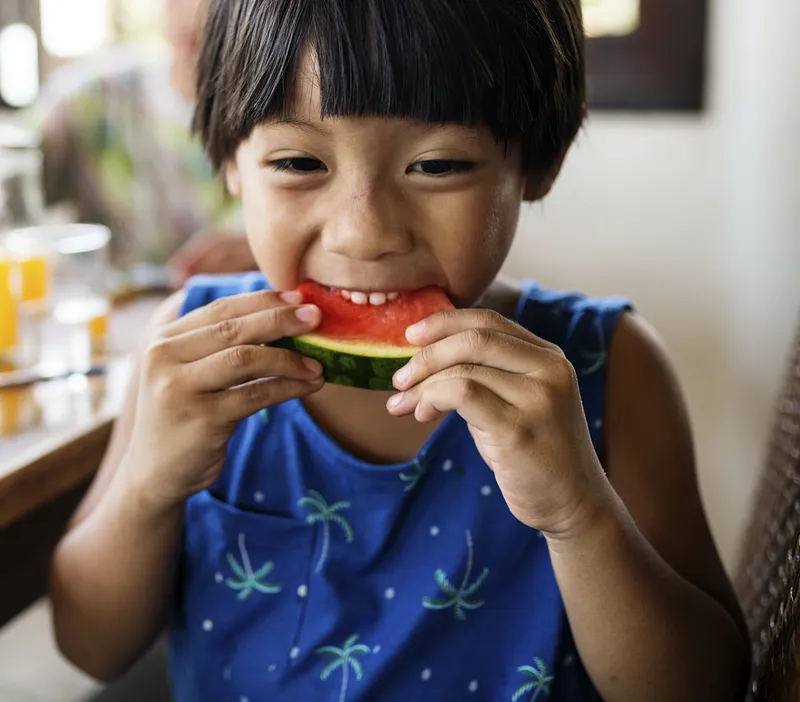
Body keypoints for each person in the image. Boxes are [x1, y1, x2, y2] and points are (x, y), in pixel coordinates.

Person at [47, 1, 750, 700]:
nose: (364, 232)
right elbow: (90, 646)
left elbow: (705, 687)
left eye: (437, 165)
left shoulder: (608, 367)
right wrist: (148, 488)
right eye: (298, 161)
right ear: (231, 161)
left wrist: (579, 514)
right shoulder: (191, 356)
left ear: (538, 164)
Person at [30, 0, 256, 286]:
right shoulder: (91, 102)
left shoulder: (293, 112)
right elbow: (11, 189)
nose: (198, 12)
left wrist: (268, 244)